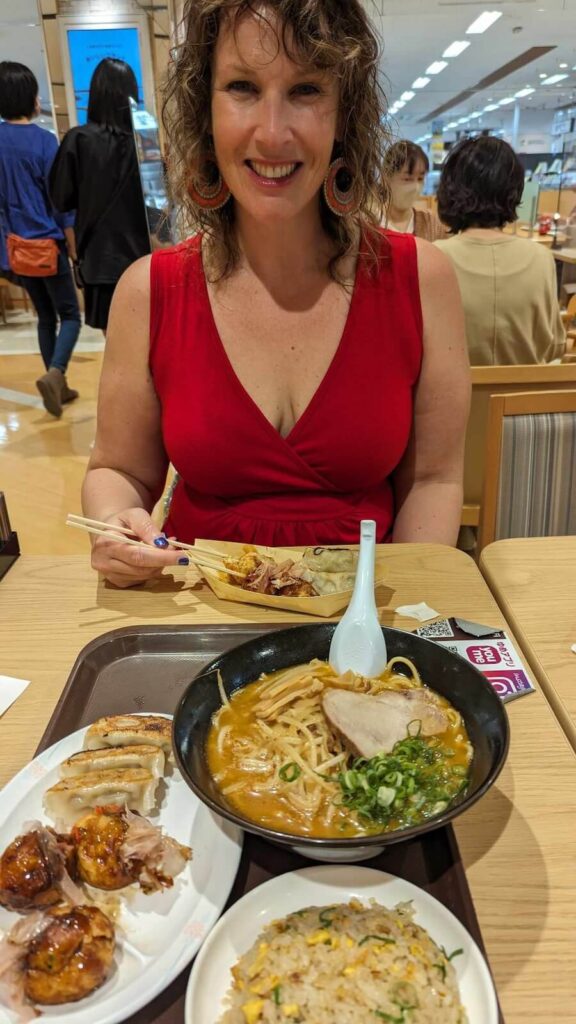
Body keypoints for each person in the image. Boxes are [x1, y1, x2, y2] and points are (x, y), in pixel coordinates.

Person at [83, 0, 470, 588]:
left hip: (361, 624)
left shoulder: (422, 280)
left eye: (306, 90)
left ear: (346, 113)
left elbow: (433, 480)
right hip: (197, 611)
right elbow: (119, 469)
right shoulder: (149, 290)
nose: (271, 131)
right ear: (203, 109)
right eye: (242, 86)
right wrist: (115, 523)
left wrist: (395, 614)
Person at [435, 136, 565, 365]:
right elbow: (553, 346)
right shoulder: (541, 259)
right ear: (514, 191)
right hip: (524, 397)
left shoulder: (434, 259)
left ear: (450, 189)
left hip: (452, 398)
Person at [0, 61, 81, 417]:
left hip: (18, 248)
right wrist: (74, 245)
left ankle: (56, 387)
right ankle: (56, 374)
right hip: (48, 246)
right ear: (29, 97)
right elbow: (61, 202)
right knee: (71, 315)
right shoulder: (44, 143)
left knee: (45, 317)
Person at [49, 58, 150, 335]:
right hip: (144, 259)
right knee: (147, 336)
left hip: (99, 259)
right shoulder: (144, 140)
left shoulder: (78, 140)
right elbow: (160, 205)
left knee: (116, 341)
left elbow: (60, 199)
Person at [382, 141, 447, 241]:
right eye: (407, 179)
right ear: (387, 177)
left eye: (420, 179)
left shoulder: (432, 224)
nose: (415, 187)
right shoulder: (371, 223)